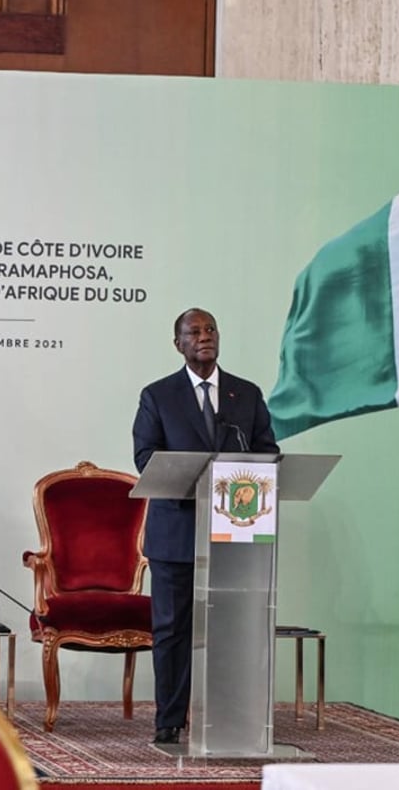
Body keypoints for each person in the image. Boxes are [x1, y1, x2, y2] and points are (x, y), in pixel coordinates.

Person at [131, 307, 279, 745]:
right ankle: (170, 719)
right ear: (178, 344)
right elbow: (145, 458)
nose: (204, 336)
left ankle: (229, 715)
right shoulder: (158, 396)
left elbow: (267, 451)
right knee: (172, 630)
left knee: (231, 627)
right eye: (193, 332)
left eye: (210, 329)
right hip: (176, 532)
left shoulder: (245, 395)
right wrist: (193, 476)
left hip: (234, 535)